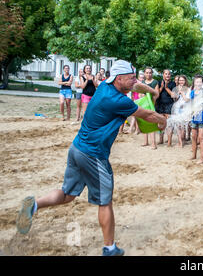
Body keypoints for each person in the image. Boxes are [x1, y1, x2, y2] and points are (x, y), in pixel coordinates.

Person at [16, 60, 167, 256]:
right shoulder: (118, 100)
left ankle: (34, 204)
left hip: (77, 148)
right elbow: (144, 114)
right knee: (105, 202)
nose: (133, 82)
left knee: (68, 195)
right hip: (93, 154)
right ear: (119, 79)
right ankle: (110, 248)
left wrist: (152, 91)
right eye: (130, 78)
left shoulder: (106, 84)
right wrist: (162, 120)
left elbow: (136, 85)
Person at [189, 75, 203, 164]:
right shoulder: (192, 92)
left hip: (202, 117)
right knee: (193, 136)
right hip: (194, 116)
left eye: (200, 82)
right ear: (194, 83)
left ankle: (202, 158)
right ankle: (194, 155)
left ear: (202, 83)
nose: (198, 84)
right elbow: (191, 104)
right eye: (197, 82)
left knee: (201, 137)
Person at [156, 69, 176, 146]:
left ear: (170, 75)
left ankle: (169, 142)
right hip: (160, 104)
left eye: (169, 74)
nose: (167, 75)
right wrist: (161, 87)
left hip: (169, 105)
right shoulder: (159, 82)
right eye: (166, 74)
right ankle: (161, 140)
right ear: (163, 75)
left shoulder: (173, 84)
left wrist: (166, 87)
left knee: (169, 124)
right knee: (160, 123)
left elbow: (173, 95)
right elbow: (157, 94)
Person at [141, 67, 160, 148]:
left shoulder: (155, 82)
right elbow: (140, 94)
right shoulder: (142, 82)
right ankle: (145, 141)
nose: (148, 74)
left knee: (152, 124)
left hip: (152, 104)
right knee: (144, 122)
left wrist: (151, 101)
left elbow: (157, 94)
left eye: (150, 72)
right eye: (147, 72)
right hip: (144, 105)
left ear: (152, 73)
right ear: (144, 73)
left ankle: (153, 143)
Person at [172, 75, 190, 148]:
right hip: (177, 108)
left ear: (185, 81)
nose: (181, 82)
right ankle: (180, 142)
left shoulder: (188, 89)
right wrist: (176, 95)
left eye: (182, 80)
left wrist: (182, 93)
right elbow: (174, 100)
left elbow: (187, 100)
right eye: (180, 80)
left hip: (184, 109)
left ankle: (182, 141)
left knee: (183, 126)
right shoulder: (176, 88)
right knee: (178, 126)